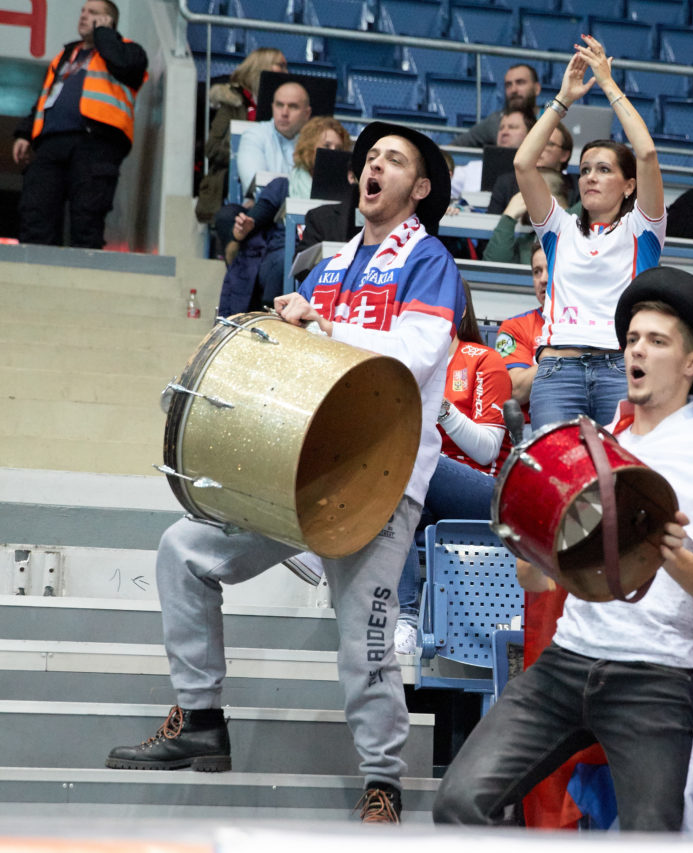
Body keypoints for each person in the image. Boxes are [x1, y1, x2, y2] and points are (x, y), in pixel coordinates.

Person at [105, 121, 462, 824]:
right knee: (183, 549)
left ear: (418, 189)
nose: (374, 166)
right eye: (370, 158)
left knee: (365, 649)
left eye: (393, 161)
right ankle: (202, 720)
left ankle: (382, 782)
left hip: (380, 485)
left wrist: (322, 328)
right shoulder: (330, 264)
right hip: (302, 473)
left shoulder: (430, 261)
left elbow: (413, 358)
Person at [432, 266, 693, 831]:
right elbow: (539, 581)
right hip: (566, 662)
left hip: (653, 679)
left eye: (657, 341)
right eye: (632, 338)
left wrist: (671, 551)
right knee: (458, 802)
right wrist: (530, 544)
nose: (637, 350)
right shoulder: (606, 441)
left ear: (691, 364)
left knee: (652, 838)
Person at [518, 37, 665, 430]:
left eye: (603, 169)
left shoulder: (643, 228)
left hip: (620, 368)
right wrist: (562, 100)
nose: (590, 178)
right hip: (556, 370)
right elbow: (523, 162)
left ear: (629, 185)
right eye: (584, 170)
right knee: (553, 483)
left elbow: (647, 154)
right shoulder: (558, 227)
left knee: (615, 483)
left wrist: (607, 83)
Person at [394, 283, 513, 653]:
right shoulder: (406, 364)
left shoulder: (483, 359)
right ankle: (402, 620)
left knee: (405, 461)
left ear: (458, 311)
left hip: (482, 491)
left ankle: (407, 616)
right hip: (421, 490)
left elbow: (487, 450)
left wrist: (440, 406)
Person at [12, 0, 147, 249]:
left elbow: (124, 66)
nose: (84, 16)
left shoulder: (130, 51)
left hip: (96, 144)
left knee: (87, 218)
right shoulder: (66, 55)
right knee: (36, 211)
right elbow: (44, 99)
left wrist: (104, 34)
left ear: (110, 21)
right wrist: (25, 133)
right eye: (83, 11)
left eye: (93, 13)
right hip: (51, 144)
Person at [216, 116, 350, 316]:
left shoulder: (349, 195)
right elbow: (257, 217)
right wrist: (246, 225)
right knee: (282, 262)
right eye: (326, 145)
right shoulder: (283, 186)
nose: (332, 152)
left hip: (326, 255)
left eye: (337, 148)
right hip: (281, 254)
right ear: (309, 147)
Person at [213, 79, 311, 254]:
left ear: (307, 113)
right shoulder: (255, 133)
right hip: (262, 214)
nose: (284, 112)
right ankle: (237, 264)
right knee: (228, 216)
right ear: (272, 106)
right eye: (280, 105)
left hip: (300, 216)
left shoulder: (314, 142)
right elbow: (257, 185)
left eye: (293, 107)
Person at [196, 46, 286, 223]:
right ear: (262, 65)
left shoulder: (285, 110)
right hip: (230, 185)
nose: (286, 72)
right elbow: (212, 149)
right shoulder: (233, 102)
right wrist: (245, 150)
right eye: (281, 65)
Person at [494, 245, 548, 410]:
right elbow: (516, 391)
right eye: (537, 271)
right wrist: (563, 355)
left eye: (551, 268)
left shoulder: (592, 323)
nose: (543, 279)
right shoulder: (514, 327)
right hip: (530, 428)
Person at [481, 169, 571, 265]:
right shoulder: (525, 243)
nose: (526, 202)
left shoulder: (575, 231)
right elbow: (492, 267)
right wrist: (509, 217)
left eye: (531, 193)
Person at [486, 122, 574, 216]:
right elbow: (491, 224)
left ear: (564, 155)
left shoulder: (576, 187)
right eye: (536, 142)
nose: (539, 148)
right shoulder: (506, 183)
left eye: (549, 143)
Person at [450, 63, 541, 149]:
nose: (513, 90)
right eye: (508, 85)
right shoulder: (495, 121)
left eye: (520, 82)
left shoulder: (551, 118)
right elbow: (455, 147)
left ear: (537, 88)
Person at [450, 105, 533, 197]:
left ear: (530, 134)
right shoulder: (472, 168)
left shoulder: (536, 173)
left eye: (512, 127)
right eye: (501, 128)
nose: (504, 132)